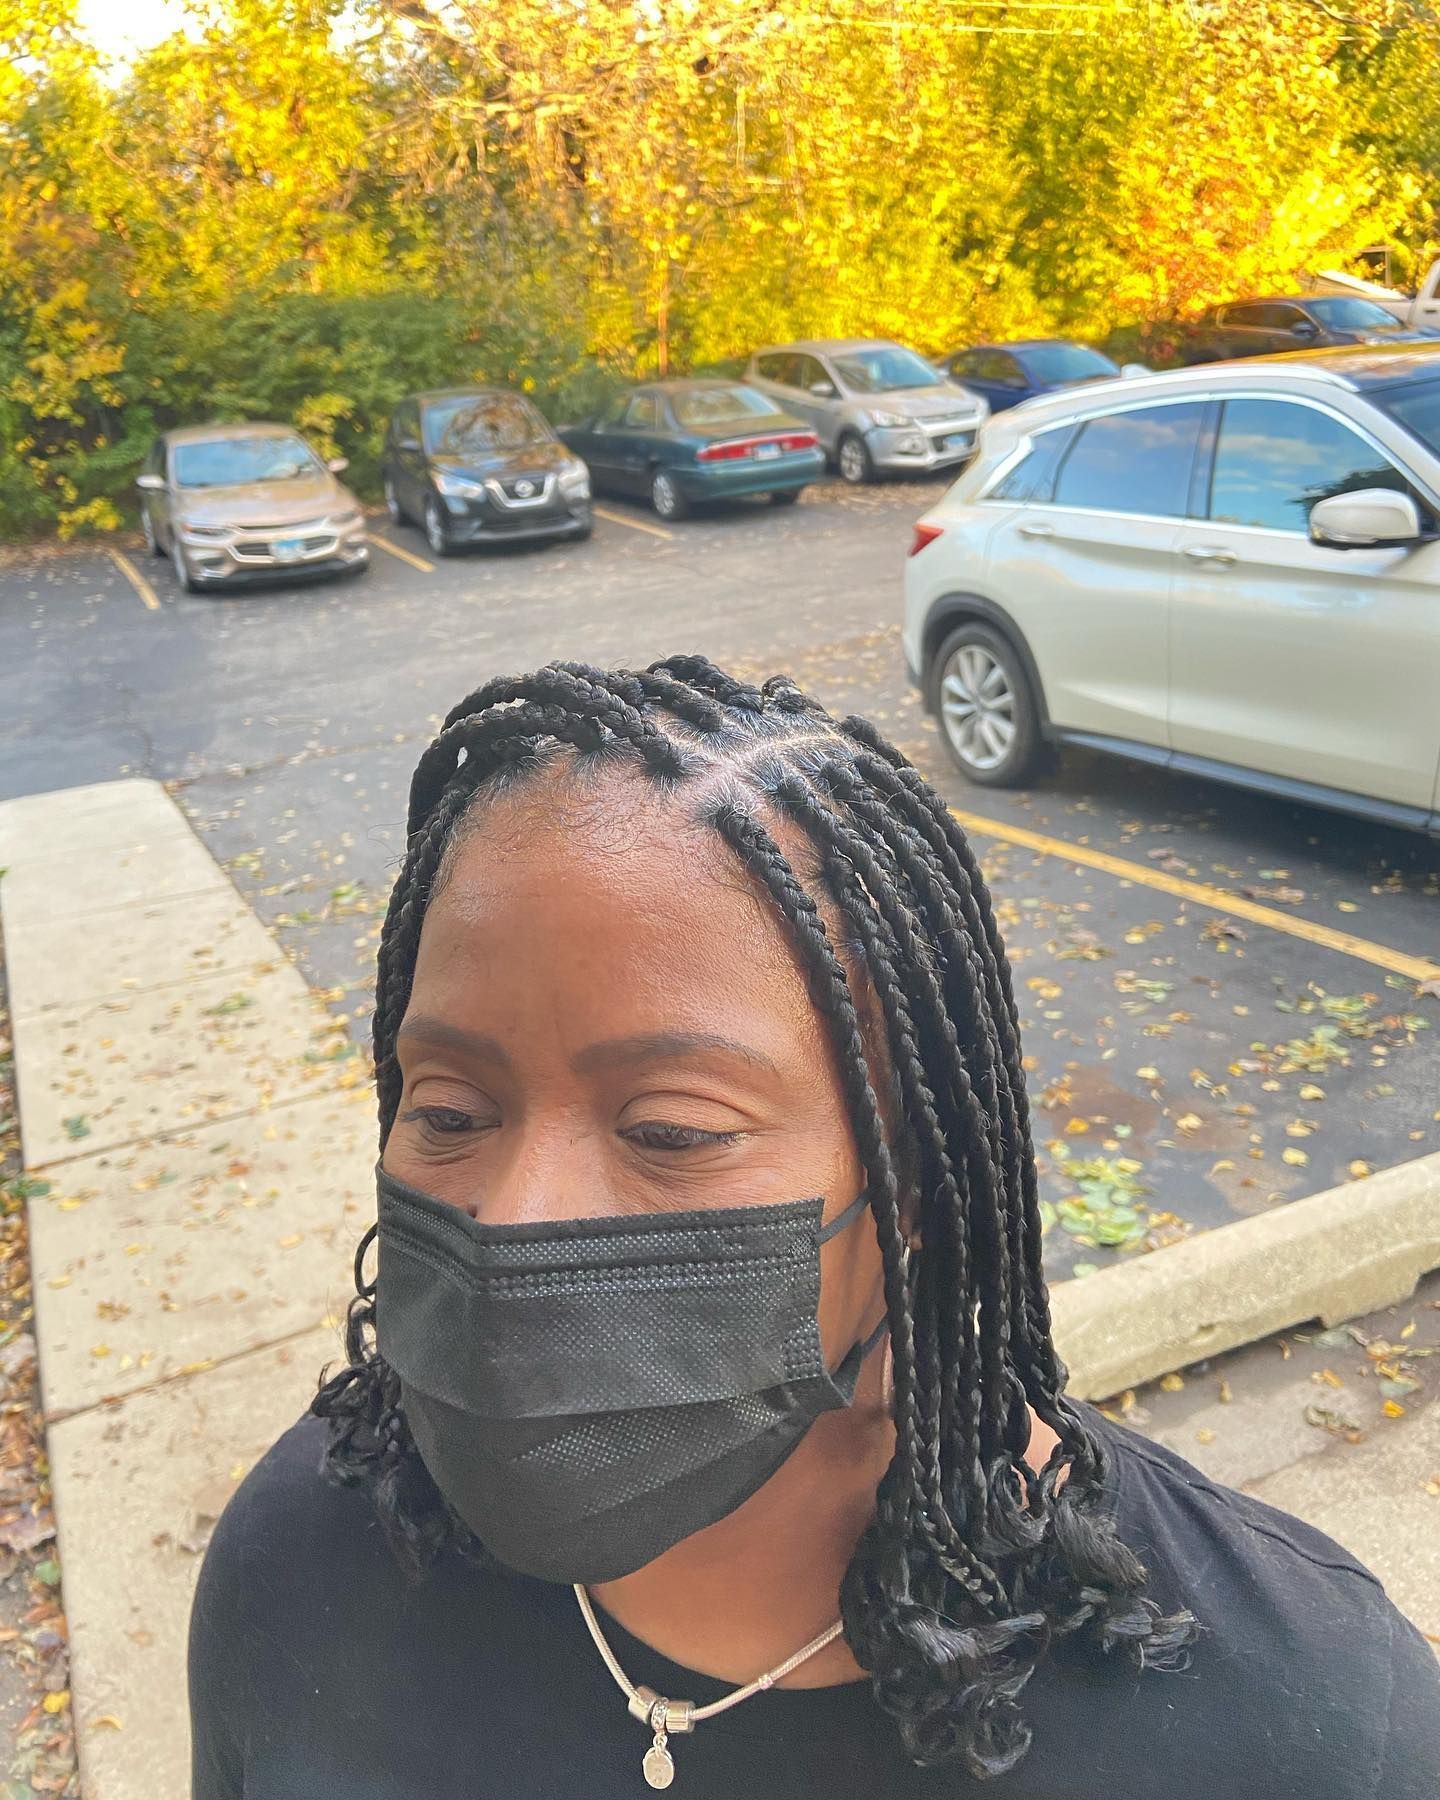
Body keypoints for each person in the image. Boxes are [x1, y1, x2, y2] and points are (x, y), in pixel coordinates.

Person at [189, 657, 1440, 1798]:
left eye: (672, 1129)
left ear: (916, 1184)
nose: (510, 1219)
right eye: (450, 1108)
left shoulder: (1307, 1723)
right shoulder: (302, 1566)